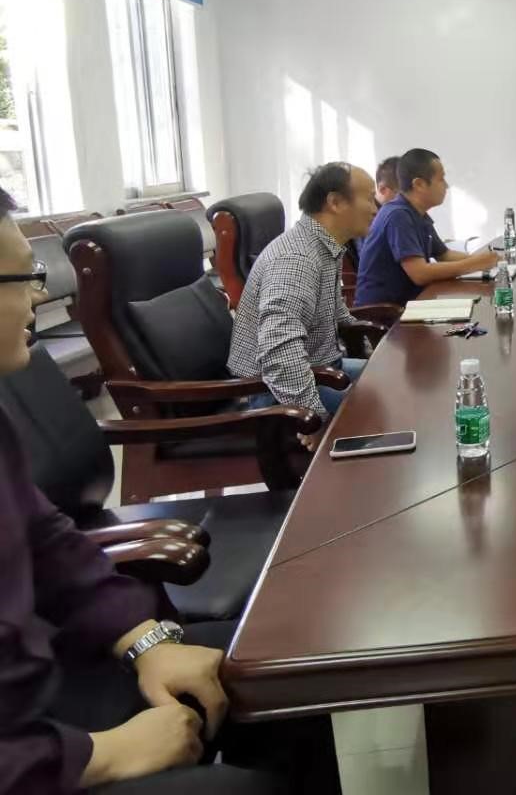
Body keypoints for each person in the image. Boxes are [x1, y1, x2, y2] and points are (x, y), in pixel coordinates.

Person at [0, 186, 338, 794]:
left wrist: (146, 642)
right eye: (24, 277)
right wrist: (97, 757)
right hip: (32, 756)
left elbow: (49, 542)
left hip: (51, 685)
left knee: (289, 677)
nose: (41, 295)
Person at [228, 163, 377, 446]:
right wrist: (311, 417)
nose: (375, 208)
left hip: (321, 367)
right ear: (335, 202)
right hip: (275, 391)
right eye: (369, 198)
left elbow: (336, 314)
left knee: (391, 382)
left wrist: (377, 349)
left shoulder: (324, 246)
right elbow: (279, 354)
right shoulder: (297, 260)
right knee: (379, 412)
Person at [355, 148, 498, 306]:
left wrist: (488, 260)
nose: (447, 186)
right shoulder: (398, 215)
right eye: (441, 179)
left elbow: (444, 255)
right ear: (419, 184)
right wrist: (475, 264)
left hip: (411, 303)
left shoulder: (417, 213)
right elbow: (420, 274)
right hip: (384, 312)